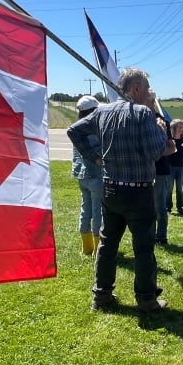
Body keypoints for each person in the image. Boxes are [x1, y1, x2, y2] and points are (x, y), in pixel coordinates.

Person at [67, 68, 176, 313]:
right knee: (143, 247)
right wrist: (160, 130)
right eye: (146, 89)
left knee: (107, 244)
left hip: (111, 189)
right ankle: (146, 299)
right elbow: (154, 152)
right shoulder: (143, 114)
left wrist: (94, 157)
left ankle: (102, 296)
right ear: (136, 88)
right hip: (138, 191)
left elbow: (73, 131)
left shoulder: (101, 111)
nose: (149, 93)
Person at [71, 95, 103, 256]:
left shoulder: (76, 128)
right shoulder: (93, 129)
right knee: (98, 212)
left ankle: (87, 247)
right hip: (96, 175)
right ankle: (98, 247)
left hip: (82, 176)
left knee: (86, 210)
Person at [147, 90, 172, 246]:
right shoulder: (138, 119)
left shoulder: (160, 121)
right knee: (148, 207)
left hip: (160, 170)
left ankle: (160, 236)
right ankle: (149, 235)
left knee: (159, 206)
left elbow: (171, 147)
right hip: (144, 171)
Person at [166, 119, 183, 215]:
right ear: (173, 127)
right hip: (170, 166)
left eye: (182, 127)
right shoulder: (169, 139)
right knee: (169, 189)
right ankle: (168, 208)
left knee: (179, 189)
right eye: (179, 127)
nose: (181, 129)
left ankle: (180, 208)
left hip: (180, 166)